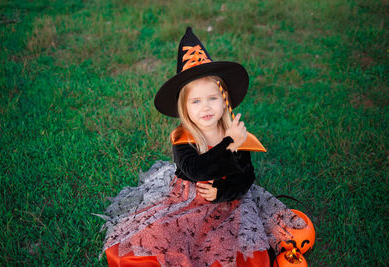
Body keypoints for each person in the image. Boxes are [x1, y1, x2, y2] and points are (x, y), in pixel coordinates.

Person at [95, 27, 313, 267]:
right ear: (184, 108)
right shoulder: (184, 136)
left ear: (224, 101)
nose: (205, 107)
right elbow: (195, 169)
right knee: (168, 239)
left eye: (212, 98)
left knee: (234, 247)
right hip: (188, 198)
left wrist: (223, 190)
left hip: (227, 200)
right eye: (196, 101)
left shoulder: (235, 134)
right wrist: (227, 144)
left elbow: (247, 175)